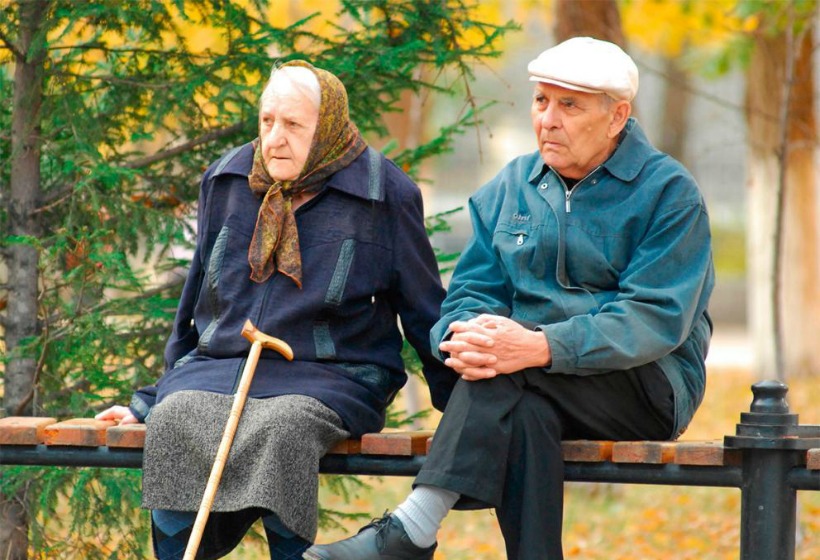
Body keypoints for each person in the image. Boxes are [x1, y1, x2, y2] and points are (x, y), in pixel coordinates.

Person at [303, 36, 715, 560]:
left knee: (506, 372)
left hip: (648, 385)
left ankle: (411, 530)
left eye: (570, 105)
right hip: (530, 380)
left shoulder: (668, 193)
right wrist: (464, 336)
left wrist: (538, 346)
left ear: (617, 117)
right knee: (523, 410)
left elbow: (653, 318)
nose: (548, 120)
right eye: (541, 101)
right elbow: (471, 291)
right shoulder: (512, 185)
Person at [96, 60, 456, 560]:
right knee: (174, 416)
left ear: (326, 127)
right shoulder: (226, 178)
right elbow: (195, 300)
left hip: (334, 371)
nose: (274, 140)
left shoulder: (383, 193)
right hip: (221, 365)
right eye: (267, 121)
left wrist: (459, 409)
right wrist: (153, 397)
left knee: (283, 426)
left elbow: (423, 307)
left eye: (292, 125)